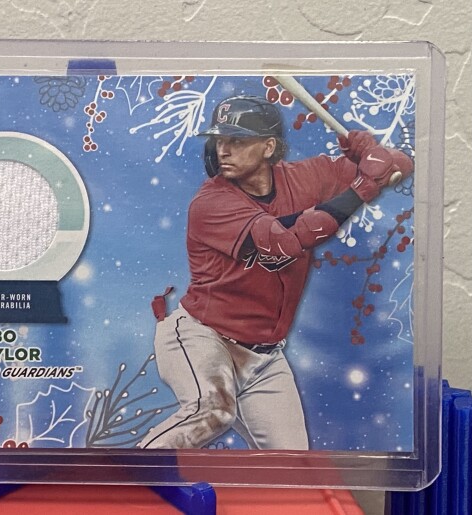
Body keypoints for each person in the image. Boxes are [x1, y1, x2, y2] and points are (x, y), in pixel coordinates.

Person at [140, 95, 413, 450]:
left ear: (268, 147)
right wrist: (361, 189)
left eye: (237, 140)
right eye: (220, 140)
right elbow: (285, 244)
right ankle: (126, 477)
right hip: (202, 337)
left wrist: (370, 153)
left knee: (293, 464)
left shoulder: (306, 177)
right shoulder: (210, 202)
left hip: (264, 357)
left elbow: (400, 165)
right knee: (213, 411)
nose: (224, 150)